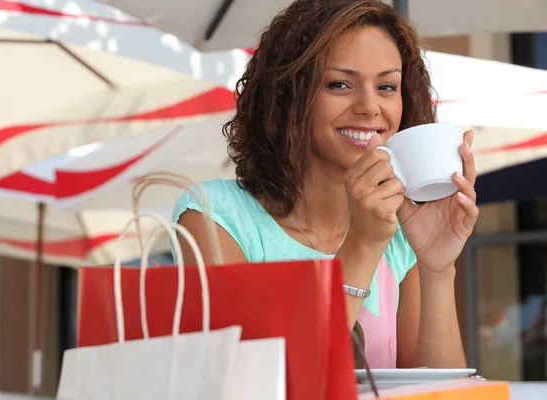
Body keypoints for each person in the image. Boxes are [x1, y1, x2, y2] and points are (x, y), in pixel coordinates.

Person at [172, 0, 478, 369]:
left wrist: (437, 269)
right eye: (339, 84)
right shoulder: (215, 217)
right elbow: (257, 383)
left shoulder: (401, 234)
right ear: (288, 95)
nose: (369, 106)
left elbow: (442, 392)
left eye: (386, 86)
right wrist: (362, 246)